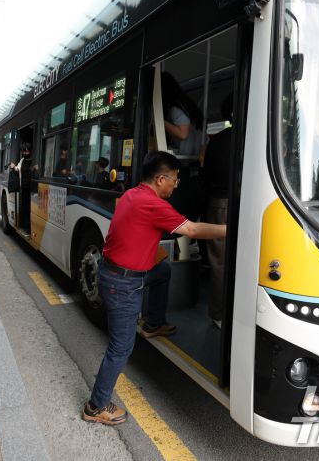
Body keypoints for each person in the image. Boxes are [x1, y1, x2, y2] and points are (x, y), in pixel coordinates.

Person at [82, 151, 226, 425]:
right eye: (175, 179)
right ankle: (95, 406)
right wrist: (231, 229)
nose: (177, 184)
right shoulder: (154, 205)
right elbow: (193, 231)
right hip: (124, 284)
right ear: (161, 179)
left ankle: (154, 323)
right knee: (121, 348)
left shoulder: (132, 195)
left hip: (113, 274)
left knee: (163, 270)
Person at [203, 94, 234, 329]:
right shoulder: (256, 136)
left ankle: (218, 314)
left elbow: (207, 174)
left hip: (220, 203)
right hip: (252, 205)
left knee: (219, 262)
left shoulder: (218, 141)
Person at [161, 72, 205, 157]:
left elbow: (183, 134)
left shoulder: (176, 109)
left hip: (186, 157)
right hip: (197, 156)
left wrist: (159, 121)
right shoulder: (187, 105)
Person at [10, 143, 32, 234]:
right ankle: (26, 226)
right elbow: (18, 169)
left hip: (32, 189)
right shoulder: (22, 160)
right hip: (23, 188)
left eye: (27, 151)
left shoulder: (34, 160)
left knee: (30, 208)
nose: (25, 153)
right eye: (24, 151)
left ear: (30, 151)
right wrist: (13, 166)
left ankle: (30, 226)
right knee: (25, 207)